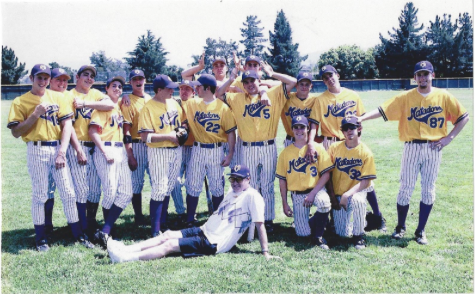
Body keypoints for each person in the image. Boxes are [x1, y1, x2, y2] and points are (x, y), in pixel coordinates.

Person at [359, 61, 469, 245]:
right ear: (415, 77)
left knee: (428, 190)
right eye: (419, 74)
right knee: (405, 189)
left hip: (434, 148)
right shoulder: (406, 97)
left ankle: (420, 230)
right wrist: (361, 118)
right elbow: (382, 110)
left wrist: (449, 138)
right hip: (411, 147)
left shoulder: (444, 96)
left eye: (426, 74)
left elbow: (463, 117)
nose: (422, 78)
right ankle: (400, 227)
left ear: (433, 75)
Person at [107, 165, 280, 263]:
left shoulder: (253, 196)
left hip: (213, 242)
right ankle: (125, 248)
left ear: (248, 179)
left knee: (169, 245)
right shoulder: (233, 191)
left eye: (239, 179)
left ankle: (126, 258)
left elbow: (260, 224)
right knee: (166, 235)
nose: (235, 182)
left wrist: (265, 251)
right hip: (204, 230)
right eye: (232, 179)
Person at [7, 64, 93, 251]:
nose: (43, 81)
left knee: (69, 193)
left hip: (56, 148)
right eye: (39, 77)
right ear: (31, 78)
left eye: (46, 78)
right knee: (40, 195)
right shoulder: (20, 101)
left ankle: (78, 235)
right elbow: (15, 132)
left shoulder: (57, 97)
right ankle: (41, 239)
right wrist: (35, 115)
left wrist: (62, 151)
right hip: (36, 149)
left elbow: (67, 125)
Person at [216, 66, 295, 232]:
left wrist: (272, 74)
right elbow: (219, 94)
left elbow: (293, 81)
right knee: (250, 185)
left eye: (253, 80)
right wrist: (231, 79)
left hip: (268, 146)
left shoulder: (274, 94)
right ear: (243, 85)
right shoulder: (237, 98)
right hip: (248, 148)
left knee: (267, 185)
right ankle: (251, 218)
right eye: (246, 82)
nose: (250, 84)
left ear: (259, 81)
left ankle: (267, 220)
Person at [308, 64, 386, 232]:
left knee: (365, 180)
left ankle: (378, 216)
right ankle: (332, 216)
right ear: (323, 81)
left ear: (337, 75)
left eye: (331, 75)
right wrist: (311, 143)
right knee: (332, 180)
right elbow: (314, 125)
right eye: (325, 77)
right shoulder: (320, 100)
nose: (329, 79)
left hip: (351, 139)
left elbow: (361, 119)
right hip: (330, 142)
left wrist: (357, 138)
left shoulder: (352, 95)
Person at [182, 74, 237, 227]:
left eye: (199, 86)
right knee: (192, 185)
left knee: (217, 187)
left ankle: (217, 220)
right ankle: (190, 219)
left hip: (216, 150)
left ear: (207, 88)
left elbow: (231, 132)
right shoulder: (192, 103)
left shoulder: (223, 107)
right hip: (198, 148)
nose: (196, 88)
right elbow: (171, 99)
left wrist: (230, 154)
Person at [67, 65, 115, 237]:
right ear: (77, 76)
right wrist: (78, 149)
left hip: (94, 146)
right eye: (85, 75)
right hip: (77, 145)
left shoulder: (95, 94)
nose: (89, 78)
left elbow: (109, 104)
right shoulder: (69, 95)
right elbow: (67, 126)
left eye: (92, 76)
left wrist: (85, 103)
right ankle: (80, 224)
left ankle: (90, 222)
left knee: (95, 188)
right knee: (81, 189)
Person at [137, 74, 186, 237]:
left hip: (176, 150)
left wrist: (182, 131)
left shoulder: (174, 103)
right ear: (159, 90)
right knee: (159, 189)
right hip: (158, 151)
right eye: (169, 88)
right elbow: (145, 137)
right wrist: (168, 136)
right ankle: (155, 230)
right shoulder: (148, 108)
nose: (172, 90)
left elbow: (182, 122)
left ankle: (163, 223)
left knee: (169, 187)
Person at [276, 116, 333, 249]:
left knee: (324, 203)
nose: (299, 130)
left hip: (316, 190)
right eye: (296, 127)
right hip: (297, 195)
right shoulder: (285, 153)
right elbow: (282, 180)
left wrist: (313, 193)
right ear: (292, 130)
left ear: (308, 128)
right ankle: (314, 222)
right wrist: (285, 203)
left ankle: (318, 236)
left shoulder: (317, 148)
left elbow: (326, 174)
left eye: (302, 127)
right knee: (302, 234)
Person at [89, 76, 133, 247]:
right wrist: (104, 151)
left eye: (120, 86)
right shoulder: (102, 107)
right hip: (106, 148)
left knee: (126, 192)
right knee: (110, 191)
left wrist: (126, 96)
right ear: (106, 89)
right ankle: (107, 232)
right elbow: (93, 132)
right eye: (113, 86)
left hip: (120, 149)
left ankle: (105, 230)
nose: (117, 88)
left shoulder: (118, 108)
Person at [327, 116, 376, 249]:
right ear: (342, 132)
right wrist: (332, 198)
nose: (349, 131)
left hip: (357, 191)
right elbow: (327, 175)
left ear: (359, 129)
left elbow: (366, 181)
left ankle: (359, 236)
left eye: (352, 127)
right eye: (345, 128)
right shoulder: (334, 148)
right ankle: (364, 220)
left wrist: (347, 195)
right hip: (338, 195)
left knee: (358, 201)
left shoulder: (365, 152)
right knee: (342, 234)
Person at [121, 69, 152, 227]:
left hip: (153, 144)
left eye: (141, 78)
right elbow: (126, 130)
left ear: (145, 80)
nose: (138, 82)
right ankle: (139, 216)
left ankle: (156, 215)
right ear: (131, 82)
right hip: (137, 144)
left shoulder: (151, 99)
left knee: (156, 181)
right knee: (137, 183)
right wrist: (130, 154)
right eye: (135, 79)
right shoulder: (127, 101)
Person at [169, 80, 198, 227]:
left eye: (188, 89)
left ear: (194, 92)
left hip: (195, 148)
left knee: (193, 182)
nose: (184, 91)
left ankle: (192, 214)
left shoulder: (197, 104)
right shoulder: (173, 103)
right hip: (179, 148)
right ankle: (181, 212)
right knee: (174, 181)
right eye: (182, 89)